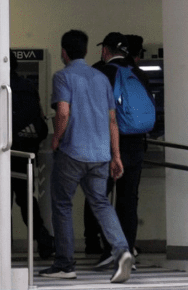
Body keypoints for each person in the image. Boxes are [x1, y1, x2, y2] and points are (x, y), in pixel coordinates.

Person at [39, 29, 133, 283]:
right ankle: (122, 250)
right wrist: (116, 155)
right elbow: (112, 120)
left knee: (62, 204)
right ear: (86, 50)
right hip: (100, 154)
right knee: (101, 202)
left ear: (64, 52)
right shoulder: (101, 78)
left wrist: (56, 139)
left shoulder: (63, 76)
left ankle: (65, 264)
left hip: (72, 152)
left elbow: (63, 112)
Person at [88, 32, 150, 269]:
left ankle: (112, 250)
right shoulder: (139, 73)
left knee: (100, 198)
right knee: (129, 200)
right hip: (137, 144)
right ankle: (127, 252)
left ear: (105, 50)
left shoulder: (103, 73)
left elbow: (98, 112)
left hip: (109, 144)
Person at [9, 52, 56, 259]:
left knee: (0, 203)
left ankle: (2, 247)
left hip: (3, 151)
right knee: (27, 200)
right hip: (25, 152)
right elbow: (39, 120)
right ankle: (44, 242)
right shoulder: (28, 86)